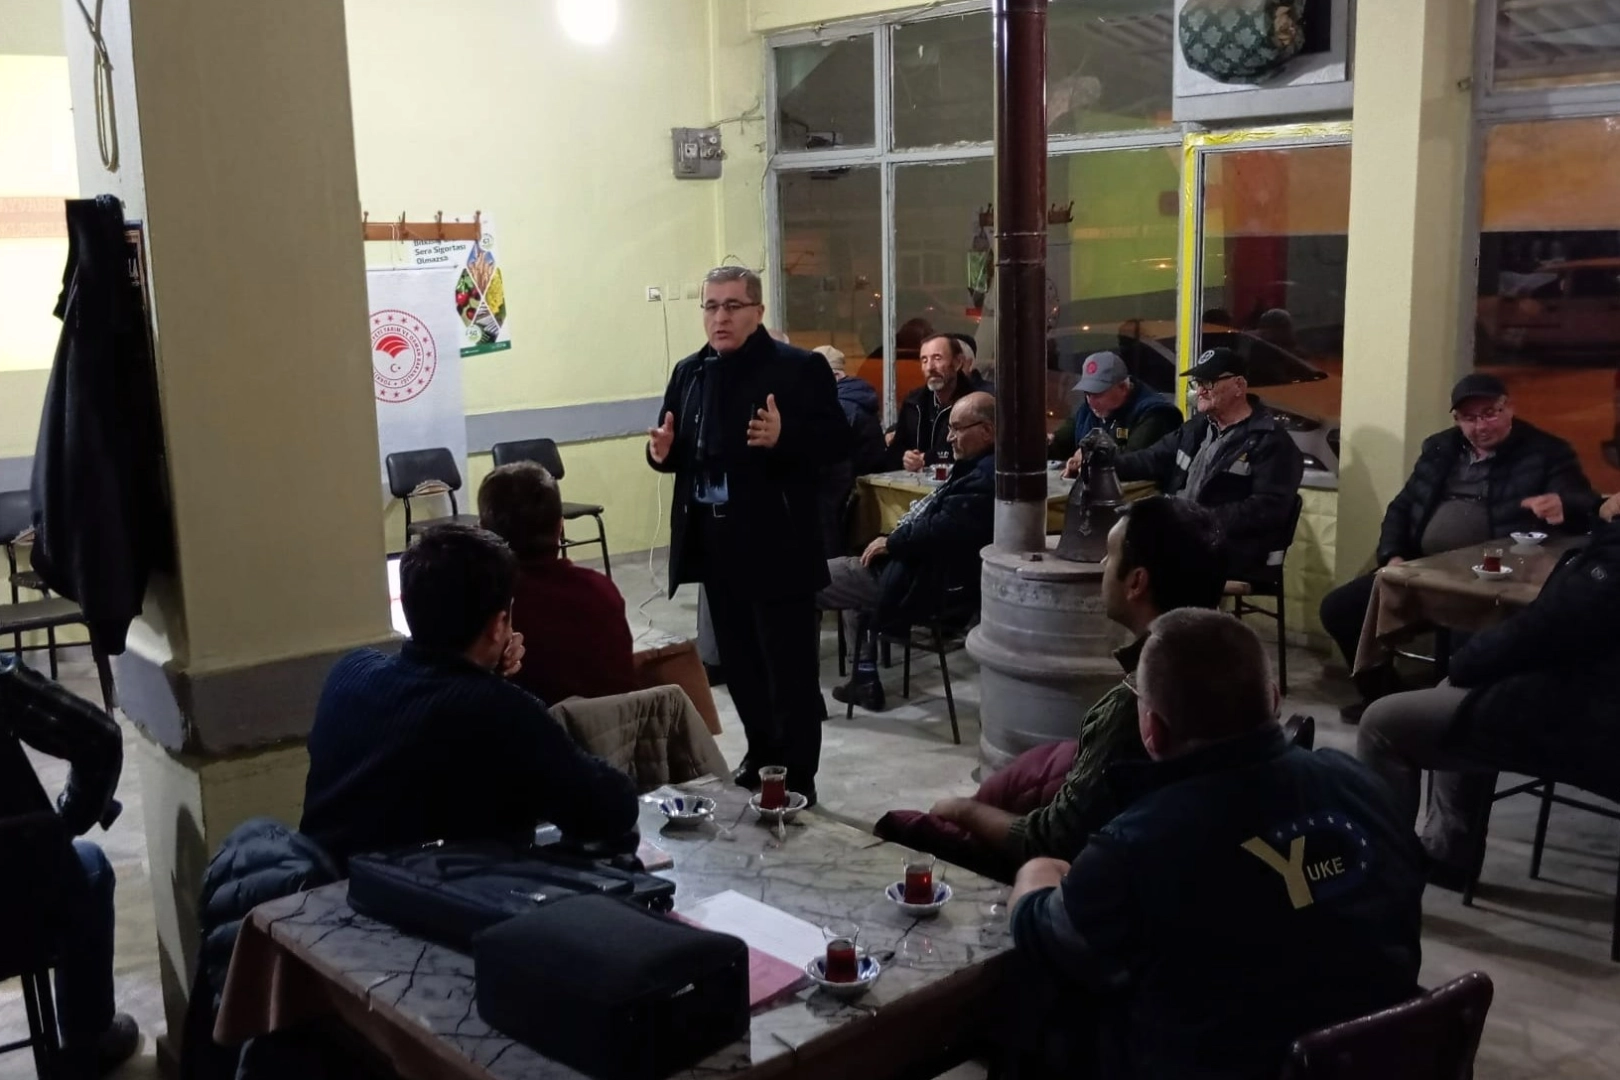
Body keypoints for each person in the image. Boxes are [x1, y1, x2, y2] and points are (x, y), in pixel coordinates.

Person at [1008, 610, 1423, 1079]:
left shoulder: (1138, 846)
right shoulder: (1364, 788)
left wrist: (1037, 873)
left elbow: (1044, 936)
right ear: (1274, 699)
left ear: (1152, 730)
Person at [916, 497, 1224, 877]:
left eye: (1110, 555)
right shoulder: (1234, 670)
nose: (1102, 565)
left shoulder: (1137, 706)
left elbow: (1050, 841)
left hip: (1104, 878)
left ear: (1136, 582)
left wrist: (962, 810)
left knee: (912, 828)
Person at [300, 525, 638, 866]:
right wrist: (489, 685)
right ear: (498, 625)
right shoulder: (503, 713)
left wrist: (483, 676)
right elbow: (611, 808)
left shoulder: (348, 672)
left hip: (321, 887)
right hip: (416, 897)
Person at [646, 266, 848, 804]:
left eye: (732, 306)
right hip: (715, 543)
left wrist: (786, 436)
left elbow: (836, 444)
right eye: (711, 306)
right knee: (738, 665)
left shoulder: (798, 368)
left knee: (788, 671)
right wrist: (660, 455)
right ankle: (762, 755)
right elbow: (676, 447)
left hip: (778, 544)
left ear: (757, 311)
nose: (720, 317)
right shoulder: (690, 372)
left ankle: (798, 776)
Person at [1355, 491, 1620, 889]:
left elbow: (1548, 628)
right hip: (1586, 690)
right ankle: (1449, 852)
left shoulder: (1611, 561)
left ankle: (1385, 882)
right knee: (1460, 687)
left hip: (1586, 714)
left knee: (1383, 722)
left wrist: (1468, 662)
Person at [1319, 372, 1599, 720]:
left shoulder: (1546, 451)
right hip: (1424, 569)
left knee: (1466, 640)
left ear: (1509, 408)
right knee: (1339, 609)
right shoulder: (1440, 448)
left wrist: (1563, 504)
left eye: (1489, 413)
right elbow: (1402, 507)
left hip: (1494, 576)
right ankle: (1385, 701)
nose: (1480, 426)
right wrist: (1393, 555)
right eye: (1469, 418)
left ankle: (1458, 717)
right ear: (1456, 419)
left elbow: (1585, 505)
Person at [0, 655, 140, 1074]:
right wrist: (62, 828)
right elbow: (99, 738)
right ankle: (88, 1039)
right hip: (14, 910)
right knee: (91, 865)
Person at [819, 392, 996, 712]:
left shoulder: (982, 479)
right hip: (922, 574)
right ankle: (864, 677)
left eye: (957, 428)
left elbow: (939, 529)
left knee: (803, 581)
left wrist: (892, 542)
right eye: (949, 428)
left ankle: (800, 693)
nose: (949, 437)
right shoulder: (982, 468)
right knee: (853, 575)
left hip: (921, 583)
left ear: (986, 431)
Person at [1078, 346, 1304, 579]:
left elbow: (1267, 510)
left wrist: (1195, 518)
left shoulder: (1270, 441)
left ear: (1239, 386)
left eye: (1209, 382)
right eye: (1198, 383)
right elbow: (1151, 459)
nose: (1200, 390)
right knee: (1118, 538)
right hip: (1186, 536)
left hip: (1233, 548)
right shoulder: (1197, 428)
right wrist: (1101, 463)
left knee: (1136, 558)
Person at [477, 461, 636, 705]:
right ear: (561, 526)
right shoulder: (602, 590)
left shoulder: (483, 610)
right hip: (616, 727)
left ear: (483, 532)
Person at [812, 345, 886, 559]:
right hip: (858, 491)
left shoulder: (842, 408)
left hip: (845, 492)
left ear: (834, 376)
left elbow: (825, 455)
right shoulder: (854, 401)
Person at [1049, 350, 1183, 462]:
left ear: (1123, 387)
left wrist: (1090, 457)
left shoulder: (1156, 414)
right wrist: (1046, 444)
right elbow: (1061, 443)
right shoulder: (1088, 410)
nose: (1091, 402)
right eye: (1087, 393)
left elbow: (1134, 459)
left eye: (1098, 394)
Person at [886, 332, 992, 472]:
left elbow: (977, 453)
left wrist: (927, 459)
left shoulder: (974, 404)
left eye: (937, 358)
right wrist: (905, 457)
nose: (930, 367)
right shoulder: (913, 402)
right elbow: (895, 451)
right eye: (924, 360)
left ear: (958, 362)